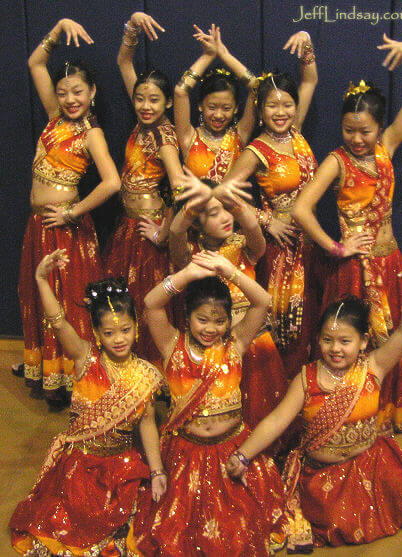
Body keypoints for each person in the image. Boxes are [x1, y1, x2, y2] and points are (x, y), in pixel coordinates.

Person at [227, 268, 402, 552]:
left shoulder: (374, 367)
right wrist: (244, 454)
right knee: (334, 522)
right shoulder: (306, 379)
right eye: (327, 340)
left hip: (373, 466)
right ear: (318, 339)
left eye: (345, 341)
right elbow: (277, 420)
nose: (336, 349)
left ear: (364, 342)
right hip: (322, 476)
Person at [292, 34, 402, 434]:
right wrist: (336, 246)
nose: (357, 138)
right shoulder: (336, 161)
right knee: (359, 344)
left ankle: (385, 411)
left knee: (397, 343)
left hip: (392, 262)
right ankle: (354, 412)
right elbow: (302, 210)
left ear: (378, 128)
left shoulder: (386, 147)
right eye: (349, 129)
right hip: (355, 269)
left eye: (365, 131)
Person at [129, 252, 287, 555]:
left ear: (229, 320)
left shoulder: (235, 344)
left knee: (237, 532)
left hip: (232, 451)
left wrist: (230, 271)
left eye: (219, 320)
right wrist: (187, 274)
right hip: (184, 455)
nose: (210, 328)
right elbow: (151, 303)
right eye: (202, 319)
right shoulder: (171, 345)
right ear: (187, 316)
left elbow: (263, 302)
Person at [10, 249, 165, 556]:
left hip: (122, 467)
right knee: (69, 522)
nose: (119, 339)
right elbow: (58, 322)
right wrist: (42, 279)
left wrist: (158, 472)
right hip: (81, 466)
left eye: (126, 330)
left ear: (136, 327)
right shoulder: (85, 359)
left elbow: (147, 426)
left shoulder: (145, 375)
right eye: (109, 333)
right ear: (96, 333)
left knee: (143, 522)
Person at [16, 18, 121, 408]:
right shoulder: (54, 119)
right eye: (64, 93)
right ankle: (51, 374)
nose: (70, 99)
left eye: (78, 91)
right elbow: (35, 65)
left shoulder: (90, 131)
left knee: (68, 299)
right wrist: (57, 29)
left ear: (92, 92)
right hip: (39, 225)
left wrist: (73, 213)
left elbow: (112, 182)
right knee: (39, 297)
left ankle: (78, 377)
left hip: (65, 227)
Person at [223, 31, 320, 378]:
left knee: (310, 322)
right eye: (272, 105)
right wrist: (266, 220)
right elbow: (223, 193)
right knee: (285, 325)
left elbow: (310, 78)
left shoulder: (297, 134)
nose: (281, 112)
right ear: (260, 111)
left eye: (287, 104)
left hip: (311, 244)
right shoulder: (257, 150)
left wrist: (306, 43)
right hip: (281, 251)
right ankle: (278, 400)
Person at [169, 170, 288, 430]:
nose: (224, 218)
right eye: (213, 213)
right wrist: (193, 205)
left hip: (253, 340)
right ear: (197, 224)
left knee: (261, 413)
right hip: (212, 347)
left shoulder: (245, 246)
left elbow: (253, 226)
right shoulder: (192, 255)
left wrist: (226, 198)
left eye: (226, 211)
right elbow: (176, 231)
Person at [106, 12, 183, 365]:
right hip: (128, 230)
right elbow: (124, 60)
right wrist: (132, 26)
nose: (145, 106)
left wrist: (164, 232)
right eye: (140, 99)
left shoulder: (164, 136)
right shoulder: (142, 125)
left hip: (148, 236)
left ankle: (151, 377)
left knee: (147, 307)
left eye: (154, 100)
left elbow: (180, 188)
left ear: (168, 103)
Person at [174, 23, 258, 183]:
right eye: (212, 107)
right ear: (200, 105)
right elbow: (180, 92)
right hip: (195, 208)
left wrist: (224, 54)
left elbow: (256, 87)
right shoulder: (189, 137)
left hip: (232, 208)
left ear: (236, 109)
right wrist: (208, 56)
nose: (218, 115)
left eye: (226, 108)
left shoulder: (240, 135)